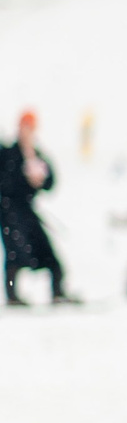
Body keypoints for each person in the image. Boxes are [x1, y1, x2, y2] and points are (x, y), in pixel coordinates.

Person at [1, 112, 77, 306]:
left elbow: (50, 183)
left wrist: (40, 178)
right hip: (9, 211)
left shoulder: (36, 154)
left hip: (27, 211)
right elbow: (7, 182)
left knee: (49, 255)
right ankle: (12, 295)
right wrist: (23, 177)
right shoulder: (8, 152)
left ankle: (58, 291)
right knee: (15, 254)